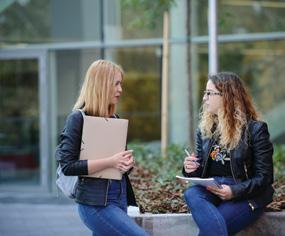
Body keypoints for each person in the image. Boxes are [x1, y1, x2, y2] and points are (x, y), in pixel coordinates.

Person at [55, 60, 148, 236]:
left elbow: (122, 168)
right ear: (101, 84)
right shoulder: (77, 118)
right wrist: (111, 161)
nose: (120, 89)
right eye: (116, 83)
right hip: (95, 204)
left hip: (119, 199)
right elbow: (68, 166)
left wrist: (126, 164)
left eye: (121, 84)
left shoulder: (114, 118)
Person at [182, 72, 274, 236]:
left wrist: (234, 191)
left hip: (245, 193)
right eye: (205, 93)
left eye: (209, 93)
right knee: (191, 193)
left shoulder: (255, 130)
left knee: (214, 227)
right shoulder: (205, 130)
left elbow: (264, 177)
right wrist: (190, 168)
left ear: (227, 96)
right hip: (213, 188)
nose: (204, 98)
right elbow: (201, 169)